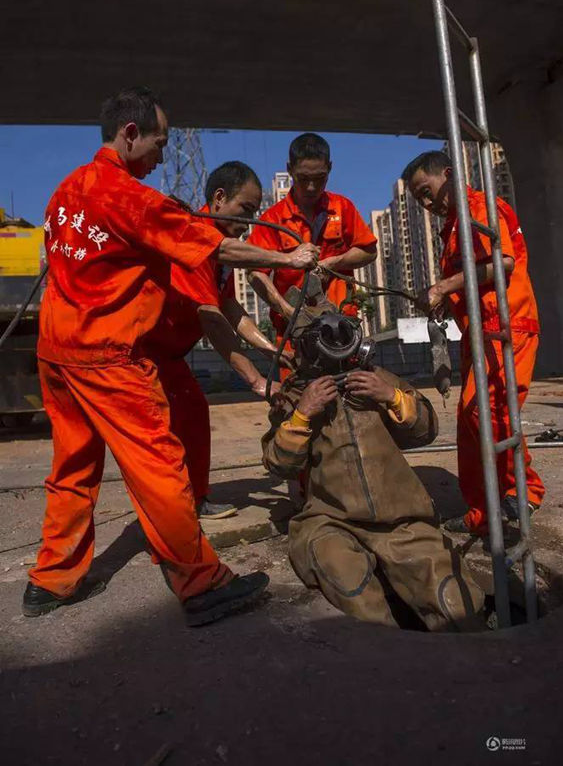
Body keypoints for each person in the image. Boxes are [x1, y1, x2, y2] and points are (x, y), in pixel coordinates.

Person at [23, 87, 318, 624]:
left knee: (73, 466)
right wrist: (287, 254)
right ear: (130, 134)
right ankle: (200, 582)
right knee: (158, 464)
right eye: (158, 144)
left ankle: (51, 580)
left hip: (56, 350)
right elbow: (216, 246)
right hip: (107, 352)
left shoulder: (66, 190)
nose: (162, 156)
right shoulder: (129, 197)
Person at [261, 303, 486, 632]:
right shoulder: (296, 396)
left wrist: (392, 396)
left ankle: (476, 666)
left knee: (453, 601)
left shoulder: (377, 379)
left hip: (402, 520)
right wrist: (302, 414)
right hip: (332, 521)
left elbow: (426, 429)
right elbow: (278, 464)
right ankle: (391, 669)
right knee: (350, 586)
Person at [402, 150, 544, 535]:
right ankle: (482, 512)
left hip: (507, 325)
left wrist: (443, 286)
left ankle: (524, 490)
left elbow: (505, 262)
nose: (426, 203)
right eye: (418, 200)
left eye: (427, 192)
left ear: (448, 174)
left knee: (489, 411)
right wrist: (447, 302)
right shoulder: (451, 228)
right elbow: (470, 283)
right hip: (480, 332)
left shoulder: (479, 208)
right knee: (470, 419)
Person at [143, 160, 292, 520]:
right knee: (152, 438)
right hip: (142, 355)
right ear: (220, 198)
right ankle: (166, 517)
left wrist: (273, 353)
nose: (250, 221)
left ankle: (196, 498)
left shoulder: (220, 256)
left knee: (193, 413)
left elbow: (229, 307)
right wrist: (258, 382)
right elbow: (212, 320)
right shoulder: (191, 237)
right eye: (246, 210)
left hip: (170, 357)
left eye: (256, 212)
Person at [247, 132, 377, 380]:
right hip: (294, 335)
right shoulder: (273, 220)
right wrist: (287, 312)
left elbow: (369, 251)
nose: (311, 187)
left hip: (342, 329)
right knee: (297, 405)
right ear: (290, 170)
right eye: (303, 178)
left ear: (329, 169)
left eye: (319, 179)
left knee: (351, 397)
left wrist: (332, 263)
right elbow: (254, 273)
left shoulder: (342, 208)